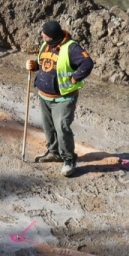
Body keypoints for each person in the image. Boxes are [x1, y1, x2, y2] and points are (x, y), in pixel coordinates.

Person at [27, 19, 92, 177]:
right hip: (44, 96)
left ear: (52, 36)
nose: (41, 35)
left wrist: (75, 78)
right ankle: (54, 152)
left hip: (63, 98)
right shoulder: (46, 45)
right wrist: (35, 65)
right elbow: (45, 63)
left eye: (44, 33)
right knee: (48, 127)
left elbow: (87, 63)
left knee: (62, 128)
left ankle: (69, 159)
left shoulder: (71, 48)